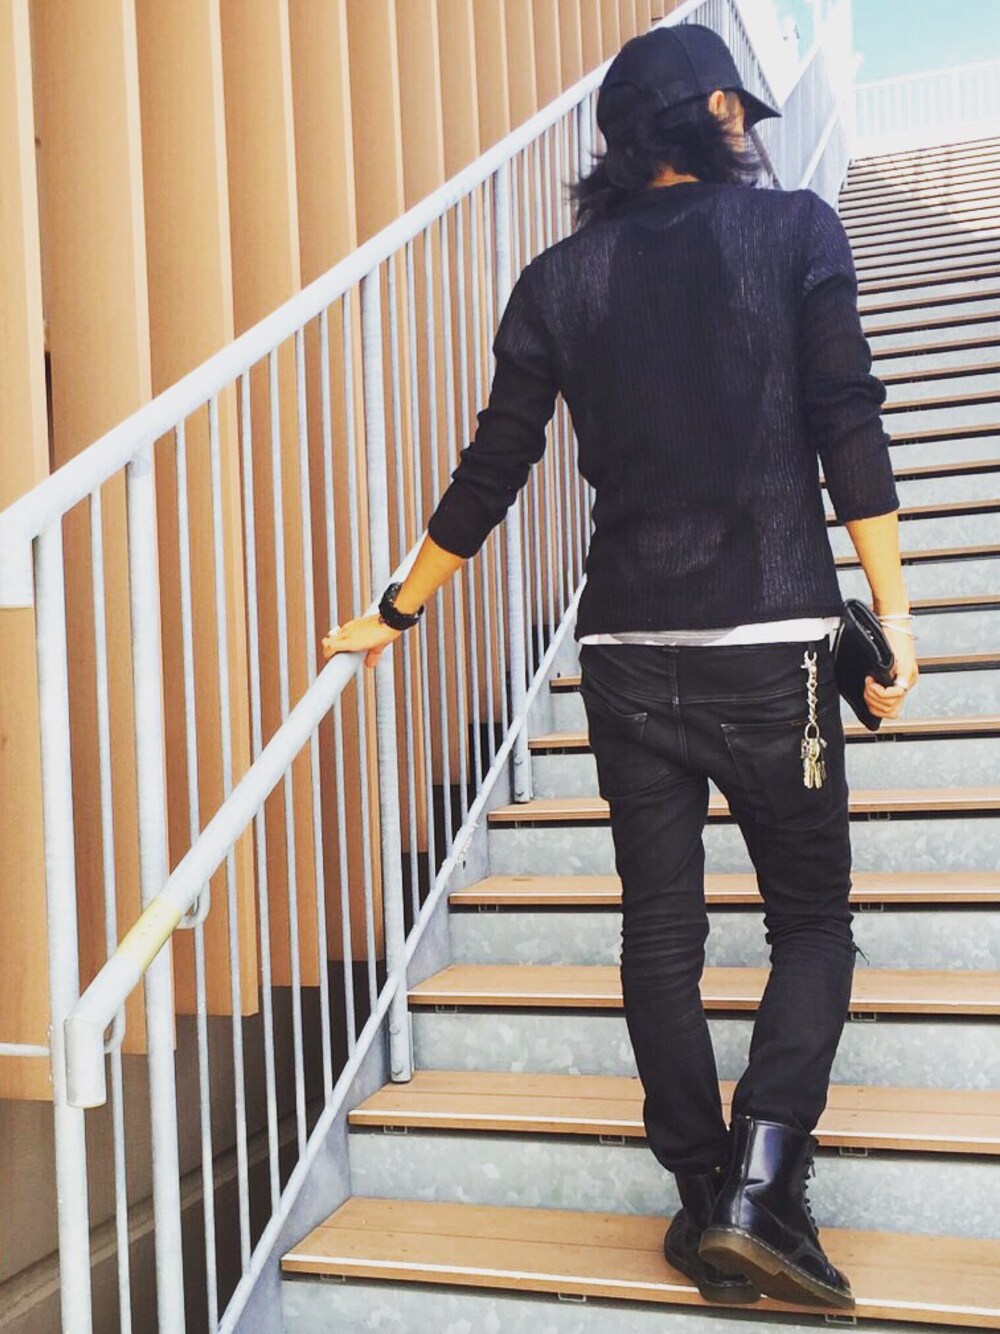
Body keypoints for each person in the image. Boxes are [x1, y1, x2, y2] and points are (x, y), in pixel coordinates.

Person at [321, 21, 918, 1316]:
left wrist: (397, 609)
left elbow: (497, 460)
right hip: (771, 643)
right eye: (741, 111)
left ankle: (702, 1200)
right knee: (813, 922)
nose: (750, 128)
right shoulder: (796, 230)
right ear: (717, 112)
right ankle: (763, 1190)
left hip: (624, 655)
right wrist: (893, 611)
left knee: (661, 932)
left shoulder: (559, 278)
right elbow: (847, 420)